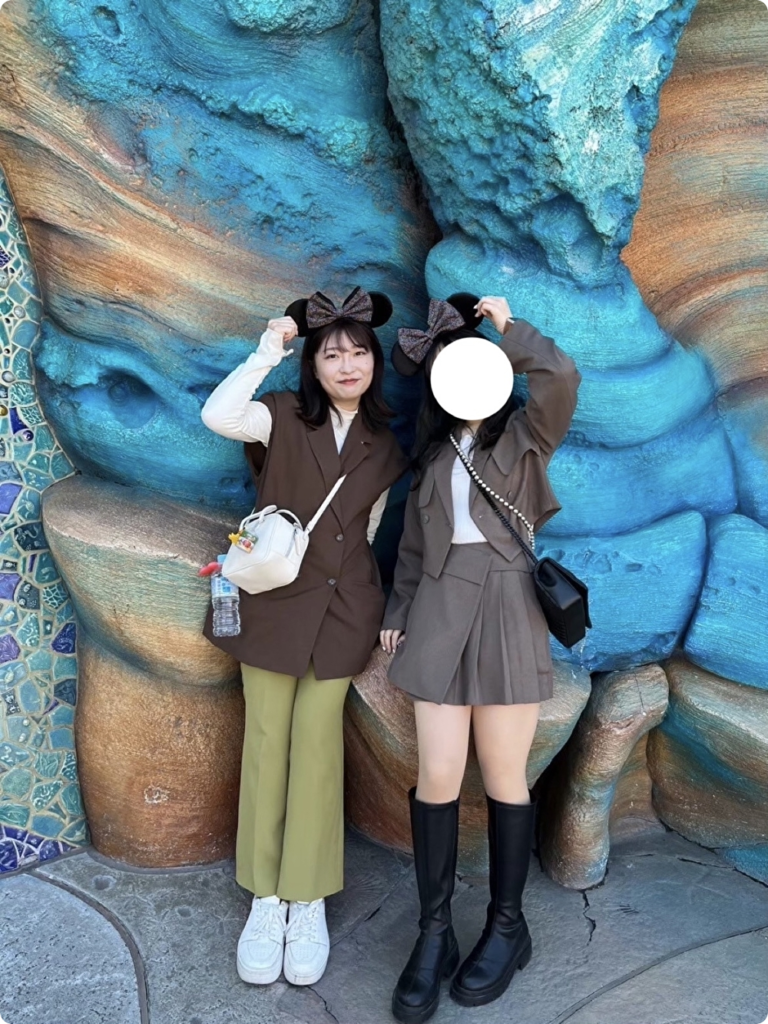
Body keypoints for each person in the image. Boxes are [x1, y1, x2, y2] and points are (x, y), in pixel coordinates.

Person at [380, 293, 581, 1022]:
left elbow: (560, 377)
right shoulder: (433, 459)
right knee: (437, 775)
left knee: (503, 775)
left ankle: (507, 926)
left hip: (505, 609)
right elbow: (411, 551)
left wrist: (507, 327)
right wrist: (397, 614)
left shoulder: (527, 437)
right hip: (437, 613)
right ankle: (434, 933)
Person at [201, 287, 407, 989]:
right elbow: (218, 415)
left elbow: (369, 532)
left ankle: (307, 897)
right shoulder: (282, 415)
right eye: (332, 355)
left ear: (375, 362)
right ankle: (266, 899)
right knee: (267, 741)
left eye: (358, 353)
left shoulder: (386, 446)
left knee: (318, 748)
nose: (347, 365)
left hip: (344, 608)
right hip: (272, 602)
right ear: (313, 365)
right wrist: (270, 349)